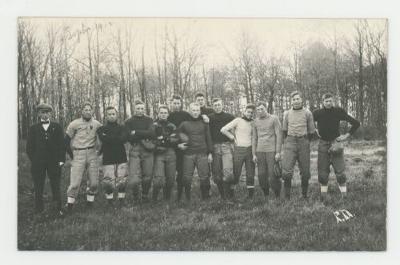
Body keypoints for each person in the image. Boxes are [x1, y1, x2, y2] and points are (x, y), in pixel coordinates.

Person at [313, 93, 360, 200]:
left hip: (336, 143)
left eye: (330, 101)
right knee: (323, 173)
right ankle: (323, 197)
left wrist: (346, 136)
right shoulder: (317, 113)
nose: (328, 103)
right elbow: (308, 123)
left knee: (340, 172)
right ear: (322, 102)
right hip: (323, 144)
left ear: (332, 101)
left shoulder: (338, 111)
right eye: (326, 101)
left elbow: (356, 123)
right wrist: (315, 131)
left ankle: (344, 197)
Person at [26, 103, 65, 217]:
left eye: (47, 112)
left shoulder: (57, 127)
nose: (45, 115)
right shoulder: (33, 128)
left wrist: (61, 160)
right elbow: (29, 147)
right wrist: (35, 159)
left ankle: (57, 208)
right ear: (38, 114)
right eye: (42, 112)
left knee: (55, 184)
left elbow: (61, 145)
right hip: (38, 162)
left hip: (54, 161)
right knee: (38, 185)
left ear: (50, 113)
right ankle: (39, 209)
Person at [65, 103, 102, 211]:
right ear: (82, 111)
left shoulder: (97, 124)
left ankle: (90, 203)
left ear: (92, 111)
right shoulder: (74, 124)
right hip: (78, 153)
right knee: (75, 183)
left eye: (89, 110)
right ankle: (70, 205)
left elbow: (105, 137)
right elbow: (65, 141)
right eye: (85, 109)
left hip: (92, 153)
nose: (88, 111)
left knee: (94, 182)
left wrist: (99, 151)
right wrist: (72, 155)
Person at [281, 91, 316, 200]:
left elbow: (311, 131)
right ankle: (287, 197)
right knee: (287, 171)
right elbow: (284, 130)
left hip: (303, 142)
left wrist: (304, 141)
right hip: (290, 142)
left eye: (298, 99)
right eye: (294, 99)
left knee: (305, 172)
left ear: (302, 100)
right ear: (291, 101)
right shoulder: (287, 113)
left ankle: (304, 195)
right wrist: (288, 141)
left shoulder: (308, 113)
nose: (296, 101)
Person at [177, 102, 213, 201]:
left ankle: (205, 197)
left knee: (204, 176)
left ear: (200, 111)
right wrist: (178, 144)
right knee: (187, 177)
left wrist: (210, 152)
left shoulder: (204, 123)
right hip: (188, 154)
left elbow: (208, 138)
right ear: (189, 111)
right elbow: (176, 136)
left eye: (197, 110)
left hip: (202, 153)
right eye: (193, 110)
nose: (195, 112)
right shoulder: (184, 124)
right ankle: (187, 197)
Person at [221, 104, 256, 199]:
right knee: (236, 172)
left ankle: (251, 196)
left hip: (250, 149)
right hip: (238, 149)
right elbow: (223, 129)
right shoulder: (238, 120)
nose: (249, 114)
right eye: (248, 112)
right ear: (244, 111)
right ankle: (231, 194)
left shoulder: (254, 122)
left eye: (252, 113)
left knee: (250, 173)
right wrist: (232, 138)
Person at [124, 99, 156, 203]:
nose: (140, 110)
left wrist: (136, 132)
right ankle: (135, 196)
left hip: (147, 149)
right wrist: (144, 134)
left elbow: (151, 133)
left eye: (142, 108)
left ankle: (145, 195)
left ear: (144, 108)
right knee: (133, 177)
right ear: (134, 109)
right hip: (135, 149)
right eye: (138, 108)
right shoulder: (128, 121)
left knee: (147, 175)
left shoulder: (149, 120)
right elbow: (129, 137)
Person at [97, 106, 128, 207]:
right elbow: (104, 139)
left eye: (113, 114)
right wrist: (117, 138)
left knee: (122, 180)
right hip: (108, 157)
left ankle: (121, 200)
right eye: (109, 114)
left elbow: (123, 139)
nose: (111, 116)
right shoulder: (101, 129)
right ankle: (110, 202)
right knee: (108, 181)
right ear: (106, 116)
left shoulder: (122, 127)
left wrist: (109, 137)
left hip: (121, 156)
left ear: (117, 115)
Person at [252, 102, 283, 199]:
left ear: (266, 108)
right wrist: (254, 154)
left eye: (262, 109)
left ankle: (277, 195)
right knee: (261, 175)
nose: (260, 111)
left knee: (273, 174)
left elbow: (279, 135)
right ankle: (266, 194)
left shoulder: (274, 118)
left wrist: (278, 152)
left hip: (271, 151)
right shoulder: (255, 121)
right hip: (260, 151)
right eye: (258, 110)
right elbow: (254, 138)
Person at [208, 98, 235, 199]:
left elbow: (236, 128)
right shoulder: (209, 118)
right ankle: (222, 194)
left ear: (222, 105)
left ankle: (230, 192)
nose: (217, 107)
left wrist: (233, 139)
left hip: (226, 146)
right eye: (215, 105)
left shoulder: (229, 116)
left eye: (219, 105)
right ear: (212, 106)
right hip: (215, 147)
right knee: (217, 174)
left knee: (228, 173)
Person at [152, 105, 180, 202]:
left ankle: (166, 198)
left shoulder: (172, 126)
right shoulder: (153, 125)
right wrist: (162, 141)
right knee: (158, 178)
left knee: (171, 178)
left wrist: (164, 139)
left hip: (171, 152)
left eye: (165, 113)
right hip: (159, 153)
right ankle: (154, 198)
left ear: (168, 114)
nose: (163, 114)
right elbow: (152, 139)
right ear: (158, 113)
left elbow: (176, 139)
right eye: (161, 113)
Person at [167, 95, 192, 201]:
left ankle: (185, 194)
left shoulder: (186, 115)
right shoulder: (168, 116)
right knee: (173, 171)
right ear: (171, 103)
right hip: (172, 147)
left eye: (178, 103)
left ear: (181, 104)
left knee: (183, 171)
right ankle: (170, 194)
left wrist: (186, 144)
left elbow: (192, 127)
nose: (176, 105)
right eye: (174, 103)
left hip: (184, 147)